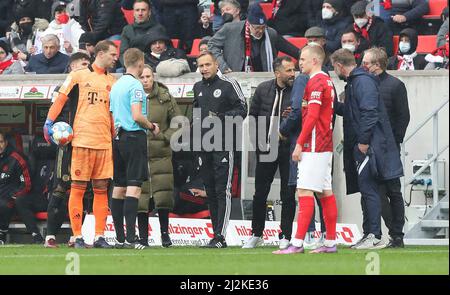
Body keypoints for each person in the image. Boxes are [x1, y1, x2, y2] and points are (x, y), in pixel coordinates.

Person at [43, 40, 119, 249]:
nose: (115, 58)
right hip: (82, 140)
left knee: (102, 189)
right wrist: (49, 122)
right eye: (112, 54)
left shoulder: (113, 81)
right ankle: (77, 236)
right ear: (100, 53)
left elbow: (112, 114)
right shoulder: (78, 76)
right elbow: (60, 99)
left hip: (104, 142)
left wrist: (114, 134)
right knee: (77, 188)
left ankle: (99, 236)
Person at [330, 48, 403, 250]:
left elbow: (370, 113)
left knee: (371, 190)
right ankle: (369, 233)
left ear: (338, 65)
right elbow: (353, 111)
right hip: (369, 145)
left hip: (371, 147)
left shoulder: (362, 82)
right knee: (367, 191)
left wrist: (363, 141)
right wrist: (333, 104)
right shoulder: (358, 82)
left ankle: (375, 235)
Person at [274, 45, 338, 255]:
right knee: (325, 192)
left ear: (315, 61)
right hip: (323, 144)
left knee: (304, 191)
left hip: (314, 144)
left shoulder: (317, 81)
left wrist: (300, 143)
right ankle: (329, 243)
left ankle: (298, 242)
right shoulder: (326, 80)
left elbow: (311, 115)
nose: (299, 63)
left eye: (303, 59)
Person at [193, 52, 247, 248]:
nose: (205, 69)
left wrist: (222, 117)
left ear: (216, 65)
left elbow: (243, 109)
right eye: (201, 66)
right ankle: (215, 234)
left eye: (208, 64)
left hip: (225, 144)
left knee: (222, 190)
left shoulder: (229, 84)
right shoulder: (197, 87)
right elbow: (197, 115)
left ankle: (220, 236)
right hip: (204, 145)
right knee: (210, 191)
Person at [242, 56, 296, 250]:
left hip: (288, 148)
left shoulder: (297, 89)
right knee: (260, 193)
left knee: (288, 193)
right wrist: (258, 144)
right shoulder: (263, 89)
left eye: (293, 70)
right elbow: (252, 117)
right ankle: (256, 233)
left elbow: (301, 117)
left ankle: (285, 235)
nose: (292, 74)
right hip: (266, 147)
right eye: (288, 70)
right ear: (277, 72)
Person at [110, 48, 159, 249]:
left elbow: (113, 117)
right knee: (134, 187)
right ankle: (132, 238)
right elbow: (137, 115)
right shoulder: (135, 86)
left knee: (119, 187)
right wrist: (152, 126)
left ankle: (120, 238)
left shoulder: (116, 85)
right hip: (134, 136)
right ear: (139, 63)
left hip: (118, 137)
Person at [362, 47, 410, 248]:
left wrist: (394, 140)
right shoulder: (365, 84)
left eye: (365, 63)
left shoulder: (395, 85)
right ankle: (380, 232)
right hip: (370, 146)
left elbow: (403, 116)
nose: (362, 66)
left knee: (393, 191)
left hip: (388, 147)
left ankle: (397, 235)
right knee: (375, 192)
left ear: (377, 65)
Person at [44, 52, 92, 248]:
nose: (87, 67)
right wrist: (54, 130)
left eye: (89, 64)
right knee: (60, 188)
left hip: (88, 143)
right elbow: (54, 115)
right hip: (67, 145)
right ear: (72, 67)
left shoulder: (92, 88)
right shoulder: (61, 89)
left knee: (85, 189)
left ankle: (76, 235)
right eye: (83, 64)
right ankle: (50, 236)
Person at [137, 65, 183, 248]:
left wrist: (165, 137)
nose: (145, 80)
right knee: (141, 199)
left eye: (148, 76)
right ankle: (142, 238)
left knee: (163, 197)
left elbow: (179, 121)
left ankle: (165, 236)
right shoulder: (132, 96)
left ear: (153, 77)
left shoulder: (164, 97)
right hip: (139, 154)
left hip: (161, 154)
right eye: (142, 77)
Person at [208, 2, 299, 73]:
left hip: (263, 77)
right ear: (249, 24)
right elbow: (212, 45)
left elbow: (291, 50)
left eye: (263, 27)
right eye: (257, 28)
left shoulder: (270, 33)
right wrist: (222, 65)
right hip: (235, 74)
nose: (260, 31)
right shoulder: (230, 29)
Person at [0, 130, 32, 245]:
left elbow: (26, 184)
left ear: (6, 142)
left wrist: (15, 196)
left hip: (10, 198)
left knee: (2, 204)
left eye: (1, 142)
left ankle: (1, 235)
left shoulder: (16, 158)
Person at [119, 0, 168, 66]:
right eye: (137, 10)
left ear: (149, 12)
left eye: (143, 10)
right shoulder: (127, 29)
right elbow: (123, 53)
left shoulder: (158, 28)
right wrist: (130, 67)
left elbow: (166, 51)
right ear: (133, 12)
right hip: (132, 67)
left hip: (154, 66)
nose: (140, 13)